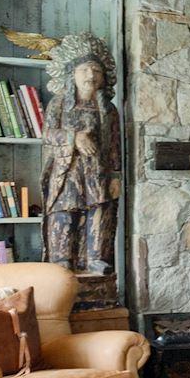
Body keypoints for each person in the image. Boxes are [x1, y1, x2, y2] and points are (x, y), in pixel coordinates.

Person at [42, 32, 121, 277]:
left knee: (99, 214)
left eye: (97, 71)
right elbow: (47, 134)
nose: (91, 76)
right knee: (65, 214)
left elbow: (114, 145)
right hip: (68, 170)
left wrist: (116, 175)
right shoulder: (58, 104)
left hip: (97, 172)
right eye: (86, 70)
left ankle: (96, 258)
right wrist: (74, 138)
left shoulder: (108, 110)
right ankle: (62, 259)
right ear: (72, 74)